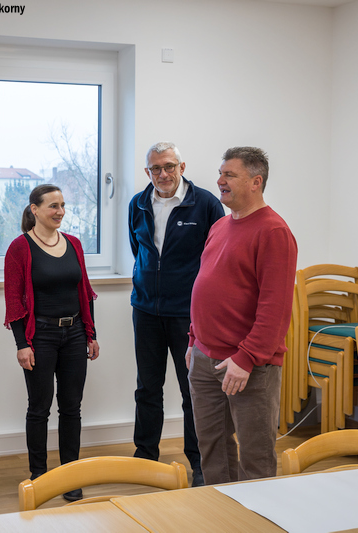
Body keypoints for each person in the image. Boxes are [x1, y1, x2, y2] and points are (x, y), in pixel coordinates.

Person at [185, 147, 297, 485]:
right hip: (204, 357)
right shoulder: (220, 226)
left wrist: (246, 358)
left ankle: (256, 514)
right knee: (212, 449)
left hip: (249, 365)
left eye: (229, 175)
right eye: (220, 174)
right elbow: (206, 287)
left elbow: (275, 309)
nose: (220, 181)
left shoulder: (274, 231)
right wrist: (194, 340)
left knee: (255, 457)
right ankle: (221, 511)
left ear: (255, 182)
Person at [129, 142, 224, 487]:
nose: (163, 174)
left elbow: (218, 257)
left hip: (188, 314)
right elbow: (138, 250)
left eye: (169, 166)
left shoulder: (206, 204)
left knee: (193, 390)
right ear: (148, 172)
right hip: (146, 310)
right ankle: (145, 458)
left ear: (182, 167)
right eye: (156, 168)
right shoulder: (138, 203)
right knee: (147, 388)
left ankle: (200, 463)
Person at [3, 184, 100, 502]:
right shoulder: (20, 248)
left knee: (72, 408)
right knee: (39, 408)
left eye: (62, 205)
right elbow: (14, 301)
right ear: (35, 210)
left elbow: (84, 291)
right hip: (40, 337)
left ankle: (70, 476)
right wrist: (22, 344)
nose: (60, 211)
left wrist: (91, 334)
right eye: (53, 206)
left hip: (74, 334)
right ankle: (39, 477)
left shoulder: (74, 243)